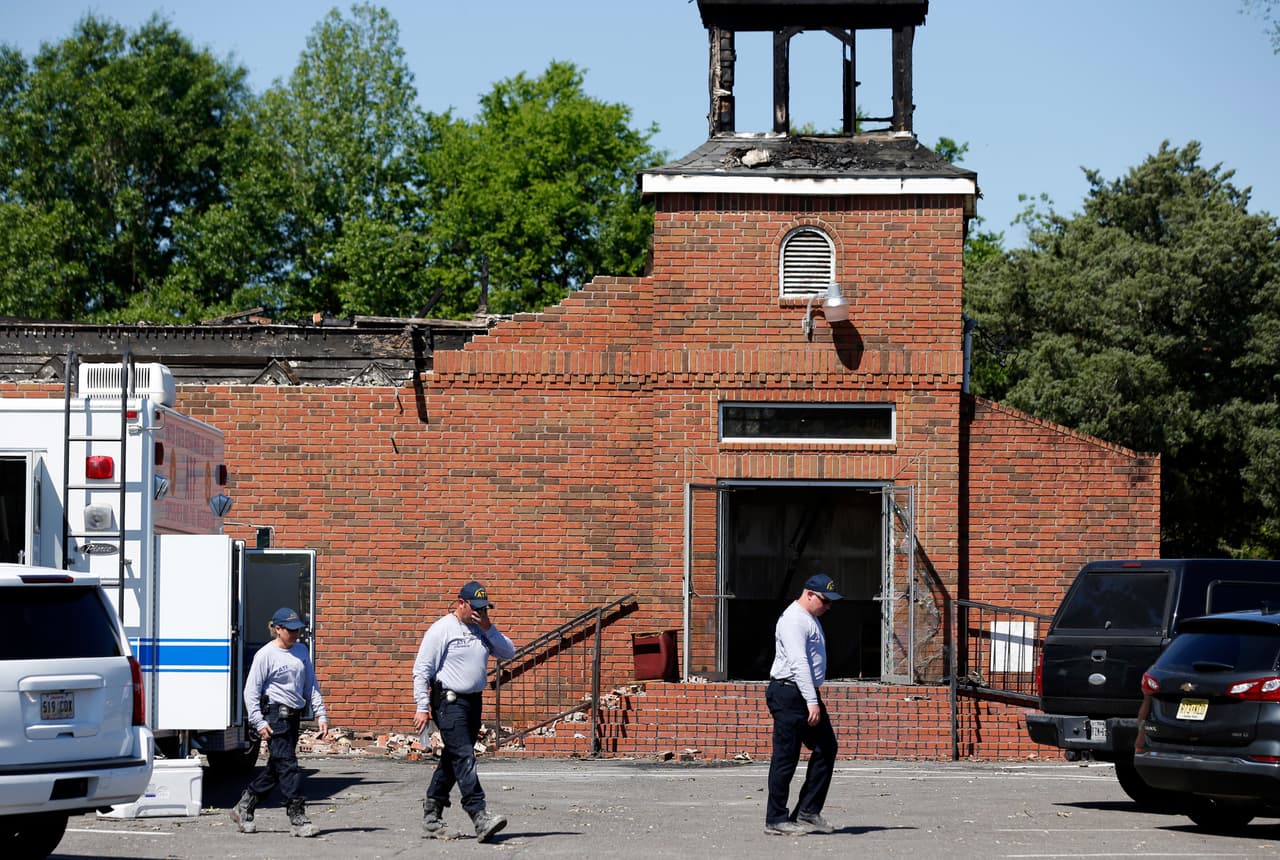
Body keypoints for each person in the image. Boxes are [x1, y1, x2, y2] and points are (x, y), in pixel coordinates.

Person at [412, 580, 517, 842]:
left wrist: (488, 628)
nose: (480, 613)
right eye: (476, 608)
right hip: (449, 702)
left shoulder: (482, 629)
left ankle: (431, 815)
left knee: (454, 758)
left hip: (473, 702)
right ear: (461, 603)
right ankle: (479, 814)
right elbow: (421, 670)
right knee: (464, 756)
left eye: (484, 609)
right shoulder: (442, 630)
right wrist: (422, 707)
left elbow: (508, 651)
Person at [230, 607, 329, 837]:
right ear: (277, 629)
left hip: (294, 717)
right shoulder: (266, 655)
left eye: (298, 630)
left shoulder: (301, 651)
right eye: (291, 630)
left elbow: (311, 684)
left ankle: (243, 807)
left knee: (276, 769)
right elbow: (250, 691)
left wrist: (321, 714)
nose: (295, 634)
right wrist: (259, 722)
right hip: (275, 716)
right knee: (289, 767)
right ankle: (298, 818)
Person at [764, 574, 842, 836]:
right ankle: (776, 818)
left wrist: (811, 697)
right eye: (825, 601)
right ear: (809, 594)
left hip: (803, 693)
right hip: (789, 693)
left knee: (826, 747)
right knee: (786, 756)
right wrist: (811, 701)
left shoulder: (810, 618)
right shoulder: (795, 620)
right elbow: (798, 663)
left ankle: (808, 811)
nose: (828, 607)